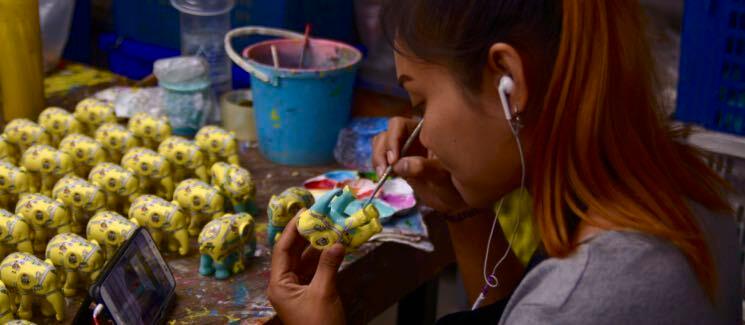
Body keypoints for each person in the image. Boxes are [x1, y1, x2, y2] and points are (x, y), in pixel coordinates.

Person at [267, 0, 742, 324]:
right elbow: (509, 311)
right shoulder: (685, 190)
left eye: (421, 102)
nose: (421, 132)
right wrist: (461, 209)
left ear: (507, 81)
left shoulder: (575, 302)